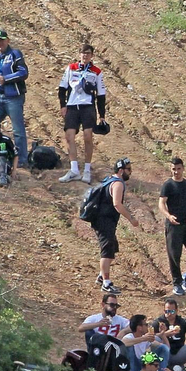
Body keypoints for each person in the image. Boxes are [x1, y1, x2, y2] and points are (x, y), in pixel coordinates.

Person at [56, 43, 109, 184]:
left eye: (88, 53)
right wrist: (63, 105)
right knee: (69, 136)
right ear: (79, 54)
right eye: (83, 53)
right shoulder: (71, 68)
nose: (85, 55)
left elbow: (101, 95)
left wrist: (102, 115)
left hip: (88, 107)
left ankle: (86, 170)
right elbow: (62, 88)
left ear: (92, 55)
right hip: (72, 106)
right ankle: (74, 170)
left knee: (87, 137)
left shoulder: (97, 71)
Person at [157, 158, 186, 295]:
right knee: (174, 254)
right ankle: (177, 282)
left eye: (178, 168)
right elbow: (161, 203)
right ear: (170, 169)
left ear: (183, 168)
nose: (176, 171)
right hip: (174, 225)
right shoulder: (168, 185)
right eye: (174, 169)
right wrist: (168, 216)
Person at [87, 158, 133, 293]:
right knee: (106, 252)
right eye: (128, 169)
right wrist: (131, 218)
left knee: (111, 250)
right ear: (121, 170)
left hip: (104, 221)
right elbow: (117, 204)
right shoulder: (118, 184)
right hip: (105, 221)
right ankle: (106, 282)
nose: (130, 172)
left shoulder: (108, 180)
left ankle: (102, 276)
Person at [0, 29, 30, 155]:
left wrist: (6, 79)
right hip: (0, 97)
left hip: (14, 97)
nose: (0, 43)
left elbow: (23, 72)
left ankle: (22, 159)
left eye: (2, 40)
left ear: (8, 40)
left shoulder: (15, 54)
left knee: (18, 130)